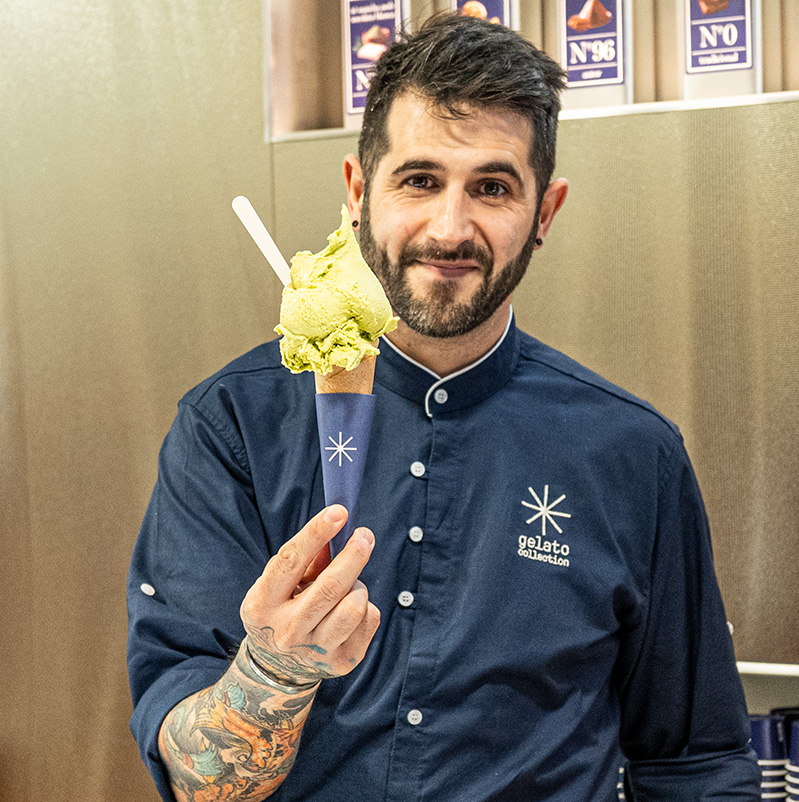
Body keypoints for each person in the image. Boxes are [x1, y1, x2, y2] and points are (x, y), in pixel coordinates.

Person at [127, 14, 758, 802]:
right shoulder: (233, 426)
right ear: (358, 193)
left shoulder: (634, 452)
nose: (450, 228)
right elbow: (197, 780)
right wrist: (272, 674)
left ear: (545, 213)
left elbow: (694, 763)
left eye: (492, 187)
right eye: (419, 180)